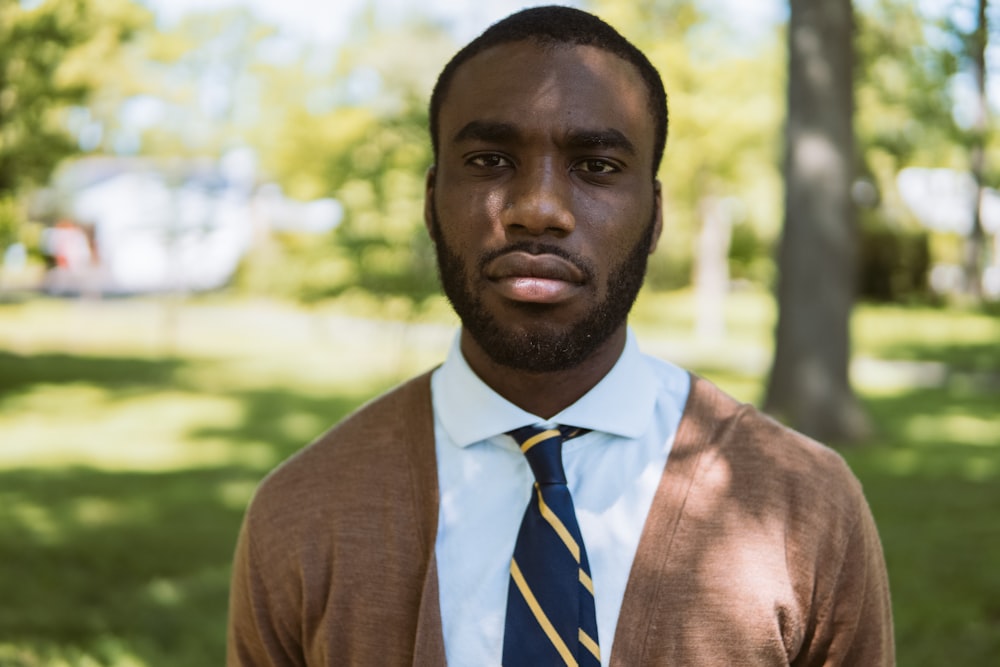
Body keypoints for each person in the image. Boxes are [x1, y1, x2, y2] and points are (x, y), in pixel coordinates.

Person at [227, 6, 894, 666]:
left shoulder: (804, 508)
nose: (538, 209)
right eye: (489, 160)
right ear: (431, 202)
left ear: (655, 216)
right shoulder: (301, 514)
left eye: (596, 165)